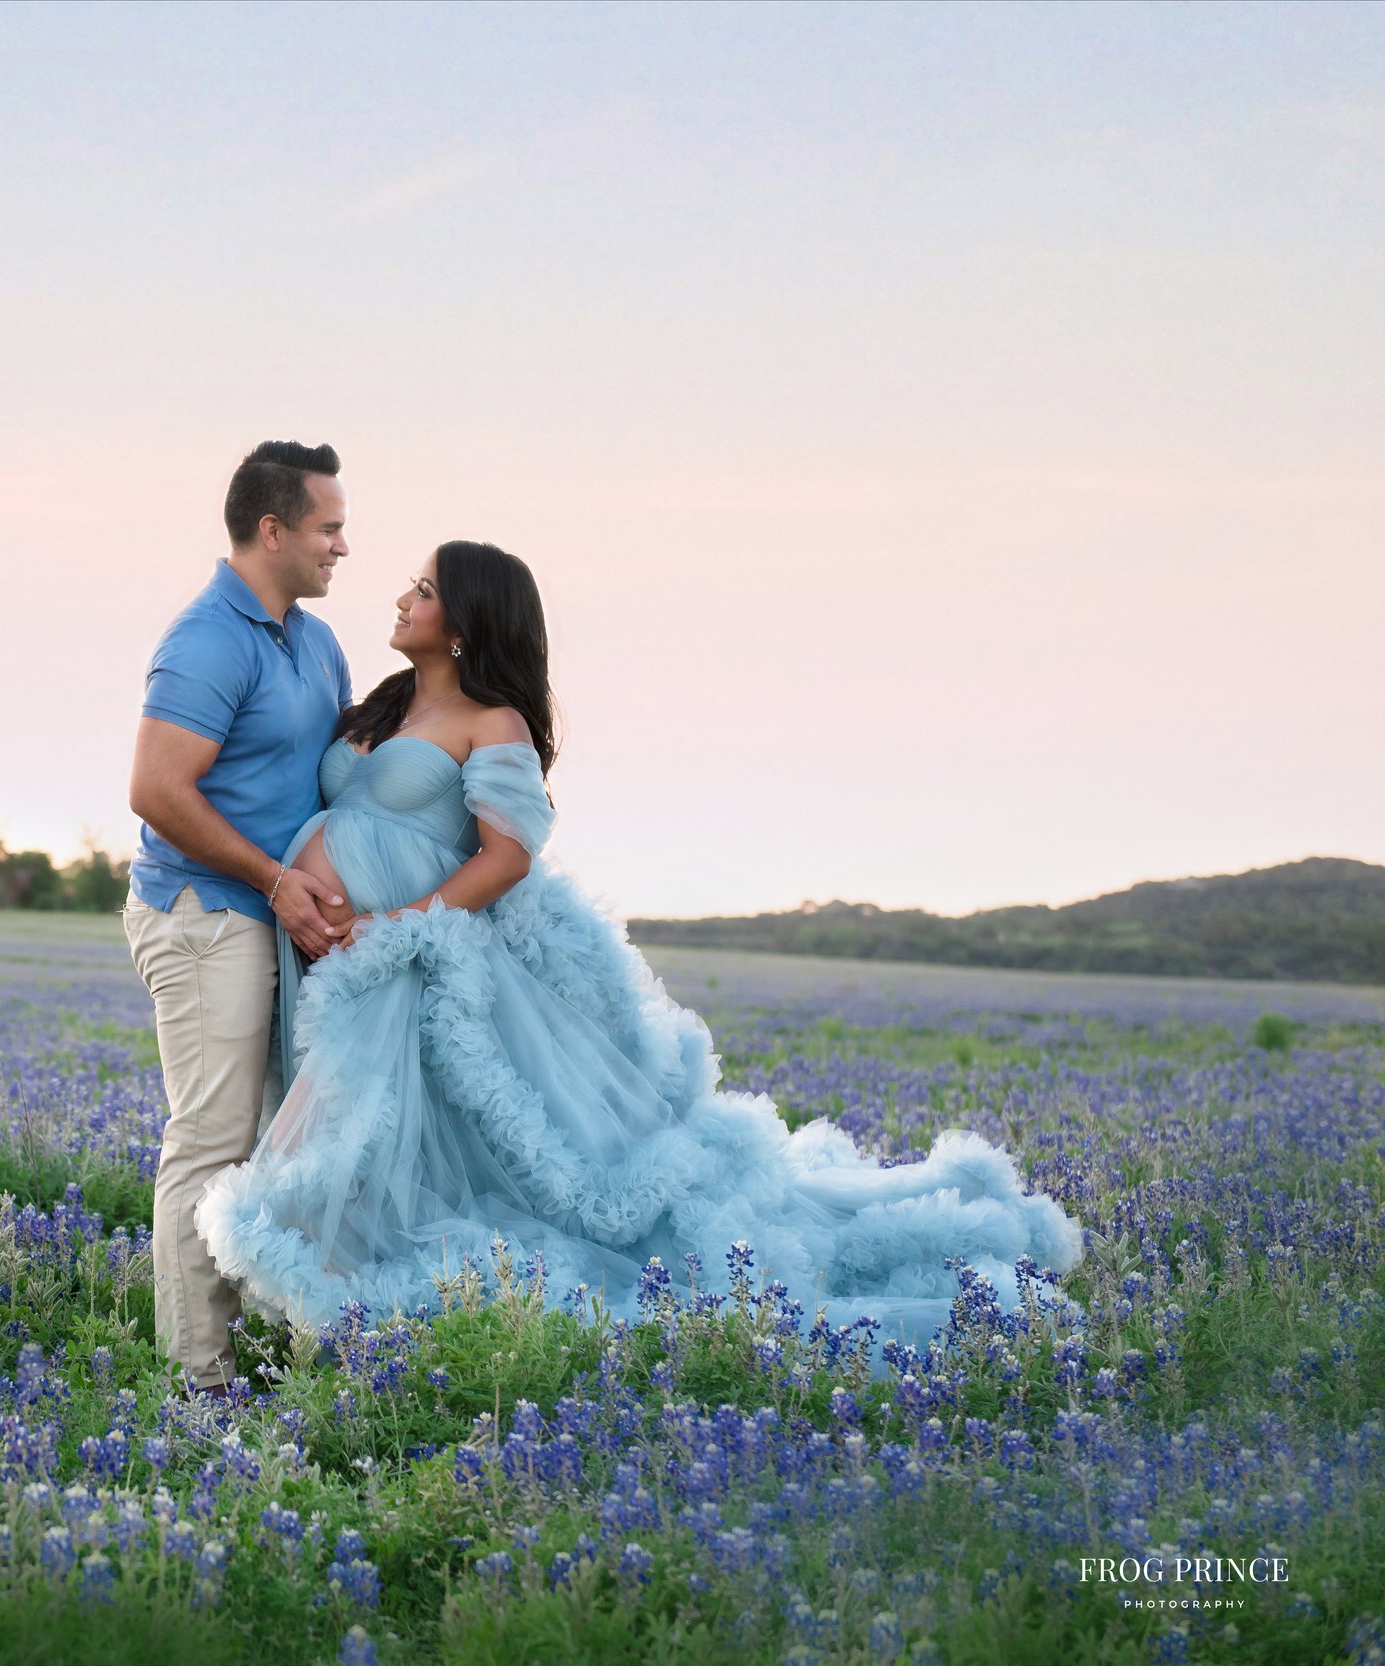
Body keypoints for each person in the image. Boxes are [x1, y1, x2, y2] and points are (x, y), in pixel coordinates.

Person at [195, 540, 1085, 1359]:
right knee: (366, 1140)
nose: (400, 596)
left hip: (408, 957)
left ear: (464, 624)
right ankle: (329, 1336)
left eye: (423, 590)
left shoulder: (492, 719)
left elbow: (508, 854)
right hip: (332, 951)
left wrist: (405, 924)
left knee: (342, 1136)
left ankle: (346, 1333)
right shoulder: (379, 707)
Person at [125, 440, 357, 1395]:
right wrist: (272, 879)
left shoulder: (312, 637)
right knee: (212, 1142)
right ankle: (201, 1381)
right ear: (273, 531)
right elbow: (156, 790)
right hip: (205, 915)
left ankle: (268, 1344)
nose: (342, 547)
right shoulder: (207, 639)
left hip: (279, 916)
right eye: (328, 528)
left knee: (282, 1143)